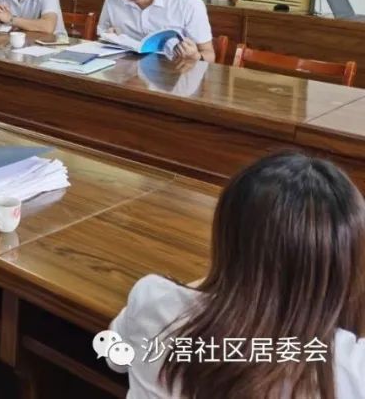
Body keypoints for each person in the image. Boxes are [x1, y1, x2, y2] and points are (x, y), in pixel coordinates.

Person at [108, 152, 365, 399]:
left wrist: (220, 281)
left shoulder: (153, 299)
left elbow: (114, 356)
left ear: (226, 238)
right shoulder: (349, 367)